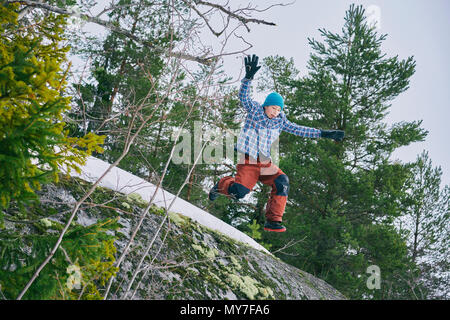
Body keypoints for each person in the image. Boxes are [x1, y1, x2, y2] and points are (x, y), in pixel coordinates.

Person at [209, 54, 344, 232]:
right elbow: (243, 98)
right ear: (266, 105)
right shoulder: (255, 111)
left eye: (279, 109)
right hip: (248, 160)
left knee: (282, 181)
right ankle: (221, 184)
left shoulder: (280, 120)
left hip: (265, 162)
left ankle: (273, 220)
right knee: (239, 193)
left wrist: (324, 133)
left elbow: (299, 129)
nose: (275, 112)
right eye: (273, 108)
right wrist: (248, 78)